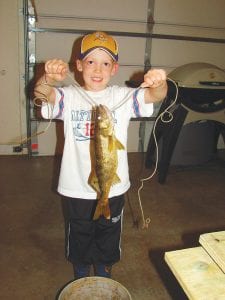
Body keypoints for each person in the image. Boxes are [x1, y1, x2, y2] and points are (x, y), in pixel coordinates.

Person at [34, 31, 167, 279]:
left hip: (113, 189)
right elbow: (42, 95)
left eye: (105, 63)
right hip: (76, 187)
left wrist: (160, 82)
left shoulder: (122, 97)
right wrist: (48, 78)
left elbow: (155, 96)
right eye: (90, 61)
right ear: (79, 65)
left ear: (114, 68)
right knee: (79, 231)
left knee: (109, 231)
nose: (98, 69)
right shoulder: (70, 96)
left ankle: (104, 267)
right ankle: (82, 267)